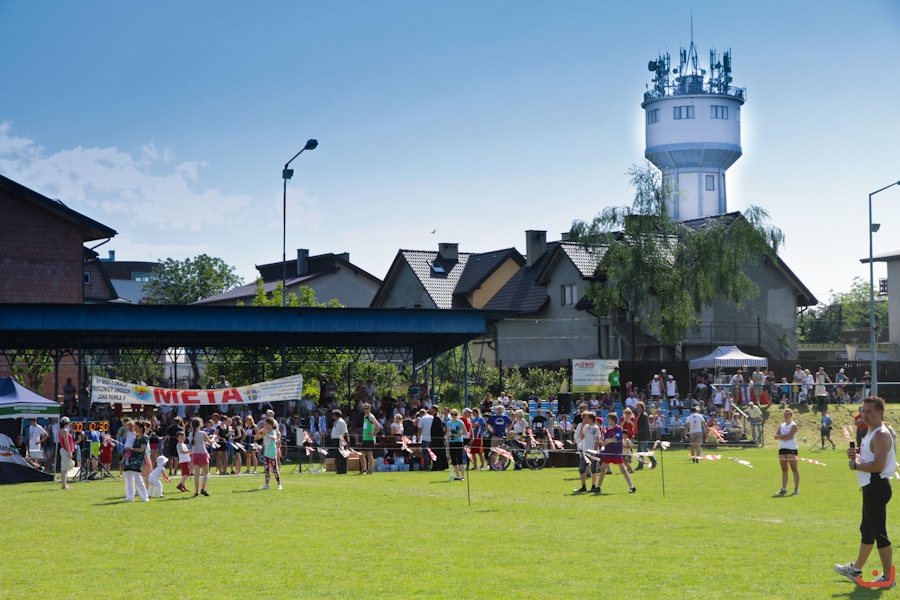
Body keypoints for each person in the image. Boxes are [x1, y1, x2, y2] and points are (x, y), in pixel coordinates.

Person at [835, 396, 897, 587]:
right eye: (863, 411)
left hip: (877, 486)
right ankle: (856, 569)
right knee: (867, 530)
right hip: (872, 487)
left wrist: (856, 465)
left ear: (880, 413)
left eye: (869, 411)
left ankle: (888, 578)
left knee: (879, 533)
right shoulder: (871, 432)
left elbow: (878, 465)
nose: (864, 415)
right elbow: (870, 458)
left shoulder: (880, 434)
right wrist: (857, 455)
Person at [595, 413, 636, 494]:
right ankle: (598, 487)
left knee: (623, 469)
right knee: (602, 469)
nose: (608, 421)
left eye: (609, 419)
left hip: (616, 452)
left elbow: (616, 439)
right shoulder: (608, 430)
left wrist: (607, 440)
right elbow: (603, 443)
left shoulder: (619, 429)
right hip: (608, 452)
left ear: (613, 420)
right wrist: (607, 441)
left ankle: (632, 487)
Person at [773, 408, 800, 495]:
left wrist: (781, 436)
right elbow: (775, 436)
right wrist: (783, 436)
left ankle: (796, 489)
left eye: (787, 414)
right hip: (782, 448)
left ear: (791, 415)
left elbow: (790, 436)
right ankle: (784, 488)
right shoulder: (781, 425)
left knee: (794, 469)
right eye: (784, 414)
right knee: (784, 469)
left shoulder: (793, 425)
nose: (786, 416)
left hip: (791, 448)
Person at [573, 412, 601, 493]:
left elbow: (597, 441)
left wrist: (595, 452)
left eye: (587, 418)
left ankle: (593, 486)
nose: (585, 420)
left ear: (591, 419)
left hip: (592, 451)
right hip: (585, 451)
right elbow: (581, 437)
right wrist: (582, 426)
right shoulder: (586, 427)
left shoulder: (595, 428)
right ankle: (583, 486)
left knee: (593, 469)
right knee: (581, 469)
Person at [124, 421, 149, 502]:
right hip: (130, 459)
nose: (135, 429)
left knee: (138, 479)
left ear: (141, 428)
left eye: (137, 428)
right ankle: (129, 497)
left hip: (137, 460)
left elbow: (141, 449)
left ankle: (144, 497)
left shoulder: (144, 437)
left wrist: (131, 449)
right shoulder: (135, 436)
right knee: (128, 479)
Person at [189, 417, 213, 497]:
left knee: (196, 474)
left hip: (195, 454)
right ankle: (203, 488)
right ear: (199, 424)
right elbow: (210, 442)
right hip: (202, 453)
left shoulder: (190, 434)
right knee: (206, 473)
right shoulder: (203, 433)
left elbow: (193, 443)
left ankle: (196, 491)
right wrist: (214, 437)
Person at [259, 417, 282, 490]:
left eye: (267, 424)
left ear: (271, 424)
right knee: (267, 469)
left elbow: (274, 438)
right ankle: (266, 484)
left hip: (272, 453)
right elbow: (258, 437)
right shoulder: (266, 432)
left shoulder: (273, 431)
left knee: (275, 469)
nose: (266, 426)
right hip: (266, 453)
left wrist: (266, 435)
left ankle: (279, 484)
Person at [634, 402, 657, 470]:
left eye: (638, 406)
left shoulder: (644, 415)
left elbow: (644, 427)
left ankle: (654, 461)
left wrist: (637, 434)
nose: (637, 408)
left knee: (644, 450)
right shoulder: (639, 415)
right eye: (636, 406)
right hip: (640, 436)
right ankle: (640, 465)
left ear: (642, 407)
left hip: (644, 436)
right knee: (639, 451)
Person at [360, 403, 380, 475]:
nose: (365, 410)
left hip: (370, 439)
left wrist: (373, 434)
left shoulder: (371, 417)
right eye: (364, 408)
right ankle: (364, 469)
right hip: (365, 438)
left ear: (369, 409)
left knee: (369, 454)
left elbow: (378, 426)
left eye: (366, 408)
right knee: (361, 454)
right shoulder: (365, 416)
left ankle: (370, 470)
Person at [447, 410, 465, 481]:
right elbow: (447, 432)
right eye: (452, 414)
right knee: (453, 459)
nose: (453, 416)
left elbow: (465, 432)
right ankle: (458, 476)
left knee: (460, 458)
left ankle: (463, 476)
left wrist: (458, 435)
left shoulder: (460, 422)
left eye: (455, 414)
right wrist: (449, 435)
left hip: (459, 441)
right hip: (452, 442)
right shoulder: (449, 423)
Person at [57, 417, 75, 490]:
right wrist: (70, 452)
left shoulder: (60, 430)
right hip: (65, 450)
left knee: (67, 466)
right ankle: (64, 485)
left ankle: (64, 483)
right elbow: (66, 442)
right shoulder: (64, 431)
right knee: (64, 468)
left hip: (64, 450)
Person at [330, 409, 349, 475]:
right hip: (335, 439)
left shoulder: (341, 422)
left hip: (340, 439)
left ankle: (343, 470)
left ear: (336, 415)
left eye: (333, 415)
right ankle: (339, 469)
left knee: (342, 455)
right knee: (337, 455)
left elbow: (345, 432)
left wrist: (346, 439)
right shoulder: (336, 422)